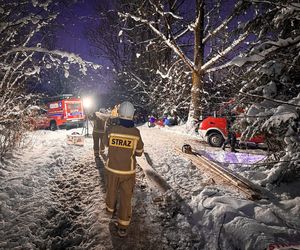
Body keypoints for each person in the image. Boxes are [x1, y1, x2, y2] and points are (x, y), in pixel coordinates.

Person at [102, 101, 144, 237]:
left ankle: (109, 210)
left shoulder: (112, 130)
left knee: (111, 190)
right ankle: (123, 227)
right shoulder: (136, 133)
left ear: (119, 114)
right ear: (132, 115)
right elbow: (139, 152)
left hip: (112, 168)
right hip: (128, 171)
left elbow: (105, 143)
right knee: (126, 197)